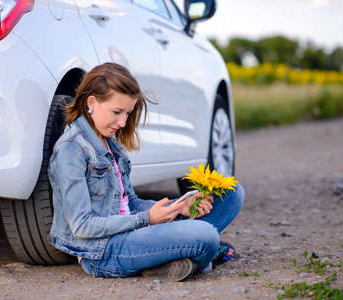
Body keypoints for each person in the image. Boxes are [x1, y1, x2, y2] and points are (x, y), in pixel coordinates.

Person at [48, 62, 245, 281]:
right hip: (104, 250)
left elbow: (129, 203)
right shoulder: (71, 149)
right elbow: (82, 226)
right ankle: (193, 255)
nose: (123, 122)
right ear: (91, 103)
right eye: (117, 112)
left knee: (231, 192)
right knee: (206, 235)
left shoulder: (111, 146)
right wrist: (146, 219)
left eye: (128, 113)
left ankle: (178, 257)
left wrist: (178, 207)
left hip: (135, 232)